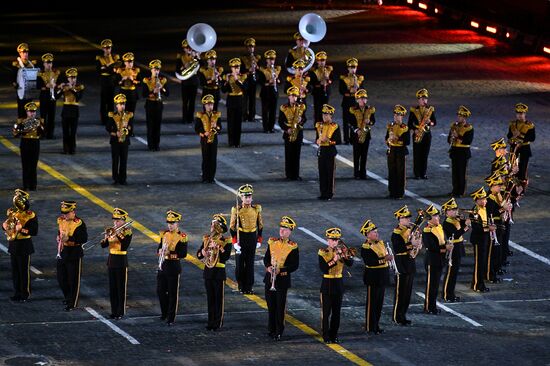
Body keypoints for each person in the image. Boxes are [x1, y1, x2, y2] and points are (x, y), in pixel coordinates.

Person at [263, 216, 299, 341]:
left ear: (290, 231)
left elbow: (294, 265)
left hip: (282, 280)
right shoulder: (272, 242)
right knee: (270, 305)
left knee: (280, 307)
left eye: (285, 229)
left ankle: (279, 331)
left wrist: (281, 270)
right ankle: (271, 329)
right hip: (269, 278)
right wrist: (268, 267)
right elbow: (266, 258)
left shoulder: (293, 246)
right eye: (281, 228)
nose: (282, 231)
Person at [196, 214, 232, 331]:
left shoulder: (225, 241)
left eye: (215, 224)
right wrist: (203, 252)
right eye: (212, 224)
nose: (212, 226)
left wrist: (218, 247)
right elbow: (198, 255)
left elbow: (226, 257)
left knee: (218, 299)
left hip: (218, 273)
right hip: (208, 272)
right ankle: (210, 321)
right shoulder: (207, 239)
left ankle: (218, 322)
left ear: (220, 227)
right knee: (210, 299)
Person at [318, 227, 353, 343]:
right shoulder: (323, 252)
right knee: (326, 312)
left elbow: (350, 263)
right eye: (332, 240)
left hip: (338, 284)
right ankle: (326, 335)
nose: (334, 242)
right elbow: (323, 268)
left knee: (336, 313)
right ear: (328, 240)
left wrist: (344, 256)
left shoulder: (342, 251)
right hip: (327, 284)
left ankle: (334, 334)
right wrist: (334, 259)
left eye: (336, 240)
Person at [2, 189, 37, 302]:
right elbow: (10, 226)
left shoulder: (30, 215)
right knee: (15, 271)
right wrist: (4, 226)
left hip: (24, 245)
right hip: (14, 245)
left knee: (23, 271)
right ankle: (17, 292)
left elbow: (34, 231)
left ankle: (25, 294)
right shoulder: (14, 213)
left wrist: (22, 230)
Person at [229, 184, 263, 294]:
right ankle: (241, 284)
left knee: (250, 264)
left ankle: (249, 286)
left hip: (252, 237)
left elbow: (260, 225)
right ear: (241, 198)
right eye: (245, 197)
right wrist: (234, 242)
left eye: (249, 197)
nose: (248, 199)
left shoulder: (256, 209)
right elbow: (232, 227)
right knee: (239, 264)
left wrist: (259, 240)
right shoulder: (237, 210)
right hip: (241, 238)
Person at [100, 208, 132, 320]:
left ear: (123, 220)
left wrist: (118, 234)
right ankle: (114, 311)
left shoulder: (127, 231)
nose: (115, 222)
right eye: (114, 220)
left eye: (118, 220)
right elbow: (103, 246)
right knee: (112, 288)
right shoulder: (112, 231)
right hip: (111, 260)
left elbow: (124, 245)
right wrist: (106, 238)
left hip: (121, 261)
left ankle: (120, 312)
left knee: (120, 288)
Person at [157, 210, 188, 325]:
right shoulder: (164, 234)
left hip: (173, 267)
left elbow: (183, 254)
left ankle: (170, 317)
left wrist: (169, 252)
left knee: (172, 293)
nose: (170, 225)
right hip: (163, 265)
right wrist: (160, 251)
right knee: (160, 291)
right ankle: (164, 313)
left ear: (177, 223)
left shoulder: (182, 237)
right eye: (169, 223)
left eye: (172, 223)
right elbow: (159, 248)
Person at [391, 205, 421, 325]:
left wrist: (418, 244)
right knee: (400, 292)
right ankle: (396, 316)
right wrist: (411, 244)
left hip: (410, 263)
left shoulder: (410, 230)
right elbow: (398, 249)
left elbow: (414, 244)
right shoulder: (396, 233)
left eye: (409, 217)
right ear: (400, 219)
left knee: (407, 293)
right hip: (401, 263)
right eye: (406, 218)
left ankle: (403, 315)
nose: (409, 220)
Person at [56, 200, 88, 311]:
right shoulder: (61, 220)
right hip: (63, 251)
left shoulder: (79, 223)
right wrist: (58, 237)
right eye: (63, 213)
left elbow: (83, 238)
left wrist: (69, 238)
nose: (64, 215)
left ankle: (72, 302)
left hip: (74, 252)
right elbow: (60, 232)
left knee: (73, 279)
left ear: (73, 211)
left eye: (66, 213)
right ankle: (68, 297)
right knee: (61, 277)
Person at [360, 219, 390, 334]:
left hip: (382, 277)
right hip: (373, 277)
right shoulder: (366, 247)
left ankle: (376, 325)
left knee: (379, 303)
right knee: (372, 303)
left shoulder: (381, 243)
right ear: (368, 234)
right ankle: (369, 326)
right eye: (374, 232)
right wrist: (385, 259)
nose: (377, 234)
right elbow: (370, 262)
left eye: (376, 231)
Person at [422, 205, 452, 315]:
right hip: (432, 260)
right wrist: (445, 248)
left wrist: (447, 244)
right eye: (435, 216)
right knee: (431, 285)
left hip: (439, 260)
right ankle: (428, 307)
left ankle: (432, 306)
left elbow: (441, 241)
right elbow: (432, 247)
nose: (438, 218)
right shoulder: (427, 231)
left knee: (435, 286)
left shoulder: (439, 227)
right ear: (429, 218)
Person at [441, 197, 470, 302]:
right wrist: (465, 227)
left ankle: (451, 294)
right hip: (453, 249)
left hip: (458, 247)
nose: (455, 211)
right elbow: (456, 235)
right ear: (447, 212)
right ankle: (446, 294)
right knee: (451, 273)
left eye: (455, 209)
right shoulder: (447, 223)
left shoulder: (456, 219)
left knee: (455, 273)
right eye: (452, 210)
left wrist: (465, 221)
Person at [13, 101, 44, 191]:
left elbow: (42, 133)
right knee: (25, 165)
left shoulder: (39, 121)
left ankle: (33, 185)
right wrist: (20, 129)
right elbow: (15, 134)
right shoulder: (21, 121)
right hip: (25, 143)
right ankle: (25, 185)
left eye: (34, 111)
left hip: (35, 143)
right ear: (26, 112)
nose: (32, 113)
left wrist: (40, 126)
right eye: (30, 111)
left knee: (33, 165)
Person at [484, 172, 508, 284]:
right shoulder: (489, 199)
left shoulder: (496, 196)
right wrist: (503, 209)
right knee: (491, 253)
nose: (500, 186)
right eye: (498, 185)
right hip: (493, 228)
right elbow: (490, 214)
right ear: (492, 186)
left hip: (498, 226)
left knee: (497, 251)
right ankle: (490, 274)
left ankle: (495, 270)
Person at [278, 86, 306, 181]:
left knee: (296, 155)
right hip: (288, 133)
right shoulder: (283, 108)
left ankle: (296, 175)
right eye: (292, 96)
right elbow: (280, 121)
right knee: (289, 155)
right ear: (288, 97)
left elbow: (305, 118)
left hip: (298, 132)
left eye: (295, 96)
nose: (293, 98)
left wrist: (301, 120)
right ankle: (289, 175)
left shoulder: (301, 107)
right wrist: (287, 129)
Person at [469, 187, 493, 293]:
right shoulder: (474, 212)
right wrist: (489, 228)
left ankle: (480, 283)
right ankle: (476, 285)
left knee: (482, 263)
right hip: (478, 240)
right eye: (482, 199)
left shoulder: (484, 209)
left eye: (485, 199)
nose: (485, 201)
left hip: (484, 239)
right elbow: (477, 228)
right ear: (477, 200)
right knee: (479, 263)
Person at [408, 88, 436, 180]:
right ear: (418, 100)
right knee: (417, 155)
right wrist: (414, 130)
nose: (424, 101)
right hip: (417, 133)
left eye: (425, 99)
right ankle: (417, 174)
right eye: (422, 99)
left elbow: (434, 123)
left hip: (427, 134)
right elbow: (409, 124)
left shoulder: (430, 110)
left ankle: (423, 173)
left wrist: (430, 121)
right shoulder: (413, 110)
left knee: (425, 155)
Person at [316, 104, 342, 200]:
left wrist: (329, 141)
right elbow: (317, 138)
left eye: (326, 115)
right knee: (322, 173)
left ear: (331, 116)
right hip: (322, 151)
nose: (324, 116)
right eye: (323, 114)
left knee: (330, 174)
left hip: (330, 152)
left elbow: (338, 141)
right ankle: (323, 193)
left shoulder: (335, 126)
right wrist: (317, 141)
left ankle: (329, 193)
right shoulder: (319, 125)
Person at [106, 94, 133, 185]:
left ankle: (123, 178)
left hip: (125, 141)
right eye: (120, 104)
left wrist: (127, 128)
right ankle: (116, 178)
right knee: (115, 160)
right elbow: (108, 127)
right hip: (115, 141)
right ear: (116, 105)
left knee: (124, 160)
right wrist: (115, 132)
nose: (122, 106)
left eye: (123, 104)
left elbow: (132, 128)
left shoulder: (128, 115)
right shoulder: (112, 115)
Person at [142, 59, 168, 151]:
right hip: (150, 104)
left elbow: (167, 93)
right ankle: (150, 145)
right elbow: (144, 94)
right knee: (150, 125)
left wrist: (162, 88)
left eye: (158, 70)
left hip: (159, 104)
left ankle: (156, 145)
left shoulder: (162, 80)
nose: (156, 71)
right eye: (154, 70)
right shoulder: (147, 80)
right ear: (151, 70)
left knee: (157, 125)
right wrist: (153, 91)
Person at [195, 94, 222, 183]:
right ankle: (205, 177)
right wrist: (203, 132)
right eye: (208, 104)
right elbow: (197, 128)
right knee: (206, 158)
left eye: (211, 104)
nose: (210, 106)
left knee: (213, 159)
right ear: (204, 105)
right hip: (205, 140)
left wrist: (216, 126)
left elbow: (220, 128)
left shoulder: (217, 115)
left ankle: (211, 177)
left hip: (214, 139)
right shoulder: (200, 115)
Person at [57, 68, 84, 155]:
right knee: (65, 132)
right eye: (71, 78)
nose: (72, 79)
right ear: (68, 78)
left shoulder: (79, 87)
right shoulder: (65, 87)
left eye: (74, 77)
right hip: (66, 110)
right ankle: (65, 149)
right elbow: (56, 97)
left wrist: (72, 88)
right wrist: (61, 89)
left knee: (73, 132)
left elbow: (78, 97)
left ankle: (72, 149)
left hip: (74, 111)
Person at [448, 106, 474, 197]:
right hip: (454, 152)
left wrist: (457, 136)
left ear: (464, 117)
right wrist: (451, 137)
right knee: (454, 173)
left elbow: (468, 141)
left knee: (461, 173)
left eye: (460, 116)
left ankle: (461, 192)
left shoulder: (469, 128)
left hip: (463, 152)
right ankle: (455, 190)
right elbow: (449, 139)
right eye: (458, 116)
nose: (458, 118)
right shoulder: (454, 126)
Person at [349, 89, 375, 180]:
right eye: (361, 99)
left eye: (364, 98)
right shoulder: (353, 110)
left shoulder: (370, 109)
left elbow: (373, 121)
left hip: (366, 134)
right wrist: (356, 130)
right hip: (356, 135)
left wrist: (370, 122)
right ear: (357, 100)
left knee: (364, 155)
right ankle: (356, 173)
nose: (363, 100)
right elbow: (350, 122)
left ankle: (363, 173)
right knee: (356, 155)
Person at [222, 58, 248, 148]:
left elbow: (244, 89)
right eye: (234, 68)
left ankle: (237, 142)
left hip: (239, 100)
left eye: (238, 67)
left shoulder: (243, 76)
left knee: (238, 123)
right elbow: (223, 90)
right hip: (231, 100)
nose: (237, 69)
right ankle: (231, 142)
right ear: (231, 68)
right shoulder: (227, 77)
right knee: (231, 123)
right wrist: (226, 81)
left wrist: (237, 79)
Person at [386, 105, 410, 200]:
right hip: (391, 150)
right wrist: (388, 140)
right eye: (395, 115)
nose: (396, 117)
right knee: (391, 171)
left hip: (400, 151)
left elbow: (407, 141)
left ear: (402, 116)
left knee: (400, 172)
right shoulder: (390, 126)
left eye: (398, 115)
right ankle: (392, 191)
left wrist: (397, 138)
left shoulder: (405, 128)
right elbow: (385, 138)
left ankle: (400, 192)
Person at [339, 58, 365, 144]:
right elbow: (341, 90)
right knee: (346, 121)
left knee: (355, 121)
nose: (353, 69)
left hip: (355, 101)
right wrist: (350, 90)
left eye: (354, 67)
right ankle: (346, 139)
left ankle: (354, 138)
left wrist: (358, 86)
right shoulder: (343, 78)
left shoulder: (359, 78)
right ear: (348, 68)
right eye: (351, 67)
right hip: (347, 101)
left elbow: (363, 90)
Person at [507, 103, 535, 181]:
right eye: (518, 113)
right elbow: (509, 135)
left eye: (521, 113)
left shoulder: (530, 125)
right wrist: (512, 137)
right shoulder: (512, 124)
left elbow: (532, 138)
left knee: (523, 167)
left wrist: (521, 139)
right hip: (514, 148)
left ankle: (521, 184)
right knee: (512, 166)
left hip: (524, 148)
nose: (519, 115)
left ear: (525, 114)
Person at [96, 39, 120, 125]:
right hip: (104, 81)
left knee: (110, 101)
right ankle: (103, 119)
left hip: (112, 80)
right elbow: (98, 70)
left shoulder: (115, 57)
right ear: (103, 49)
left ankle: (110, 118)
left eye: (109, 48)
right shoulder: (99, 58)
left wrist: (106, 68)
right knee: (103, 101)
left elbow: (117, 69)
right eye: (105, 48)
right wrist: (111, 69)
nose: (107, 50)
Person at [176, 39, 200, 124]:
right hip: (185, 82)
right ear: (184, 49)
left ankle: (190, 117)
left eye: (190, 47)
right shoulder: (181, 57)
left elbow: (201, 67)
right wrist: (184, 67)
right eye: (186, 47)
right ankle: (184, 118)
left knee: (192, 101)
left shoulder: (195, 56)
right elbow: (177, 70)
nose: (189, 49)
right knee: (185, 101)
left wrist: (197, 58)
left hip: (194, 81)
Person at [257, 50, 281, 133]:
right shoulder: (262, 70)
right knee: (265, 111)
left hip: (274, 92)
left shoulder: (276, 69)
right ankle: (266, 128)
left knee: (273, 111)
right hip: (265, 92)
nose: (272, 61)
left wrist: (277, 81)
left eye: (273, 59)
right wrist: (268, 82)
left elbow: (279, 81)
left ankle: (271, 127)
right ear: (266, 60)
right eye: (270, 59)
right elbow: (260, 81)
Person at [37, 53, 59, 139]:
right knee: (43, 116)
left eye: (50, 63)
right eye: (47, 63)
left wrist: (56, 85)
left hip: (52, 96)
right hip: (44, 96)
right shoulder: (40, 74)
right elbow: (37, 85)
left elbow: (60, 83)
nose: (49, 64)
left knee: (51, 116)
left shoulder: (56, 73)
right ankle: (42, 133)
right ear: (44, 64)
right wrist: (45, 86)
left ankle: (50, 134)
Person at [12, 43, 37, 118]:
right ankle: (21, 127)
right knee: (21, 111)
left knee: (30, 111)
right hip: (21, 92)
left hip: (29, 91)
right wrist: (15, 84)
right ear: (20, 53)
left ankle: (29, 127)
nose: (25, 54)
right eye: (23, 52)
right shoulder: (16, 65)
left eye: (26, 52)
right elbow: (13, 77)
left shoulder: (31, 64)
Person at [309, 51, 333, 123]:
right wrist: (320, 83)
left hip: (326, 91)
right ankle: (317, 123)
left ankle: (325, 122)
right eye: (320, 60)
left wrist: (328, 79)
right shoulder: (314, 70)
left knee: (325, 108)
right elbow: (311, 81)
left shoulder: (329, 69)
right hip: (317, 92)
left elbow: (332, 79)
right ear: (317, 61)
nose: (322, 62)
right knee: (317, 109)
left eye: (323, 60)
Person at [240, 37, 261, 122]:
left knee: (252, 99)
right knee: (245, 98)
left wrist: (257, 67)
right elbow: (240, 71)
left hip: (253, 80)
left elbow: (260, 70)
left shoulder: (257, 58)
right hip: (246, 80)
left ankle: (252, 116)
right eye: (249, 47)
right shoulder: (243, 58)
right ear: (246, 48)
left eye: (252, 47)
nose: (251, 49)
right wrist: (248, 71)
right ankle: (244, 116)